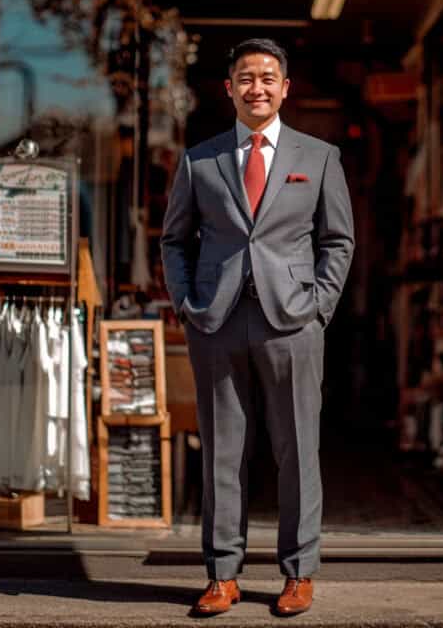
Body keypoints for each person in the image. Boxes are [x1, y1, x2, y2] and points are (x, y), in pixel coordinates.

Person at [161, 38, 354, 617]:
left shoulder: (319, 157)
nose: (257, 88)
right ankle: (222, 575)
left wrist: (319, 306)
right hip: (216, 322)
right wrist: (187, 304)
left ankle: (299, 573)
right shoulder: (200, 159)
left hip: (292, 321)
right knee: (223, 452)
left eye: (268, 77)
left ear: (285, 87)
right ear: (229, 88)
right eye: (246, 78)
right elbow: (175, 240)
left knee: (297, 450)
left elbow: (338, 241)